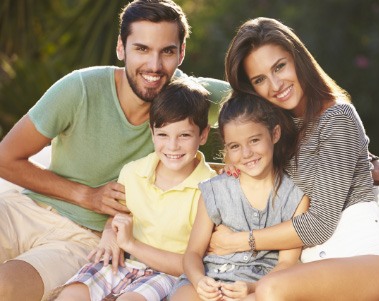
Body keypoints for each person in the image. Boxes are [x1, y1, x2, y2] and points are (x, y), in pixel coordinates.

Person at [0, 1, 229, 300]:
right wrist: (86, 195)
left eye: (167, 51)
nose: (155, 66)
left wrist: (236, 170)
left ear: (181, 53)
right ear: (121, 48)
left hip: (84, 239)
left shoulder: (192, 99)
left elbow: (265, 101)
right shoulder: (80, 88)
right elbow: (6, 158)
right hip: (24, 209)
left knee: (6, 286)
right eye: (142, 49)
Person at [209, 17, 379, 300]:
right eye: (260, 80)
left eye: (279, 66)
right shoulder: (277, 135)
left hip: (370, 260)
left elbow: (319, 224)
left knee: (270, 288)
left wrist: (238, 242)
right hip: (311, 270)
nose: (276, 84)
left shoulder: (338, 117)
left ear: (297, 58)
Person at [46, 78, 217, 301]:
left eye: (184, 135)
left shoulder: (209, 189)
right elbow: (118, 219)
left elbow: (191, 264)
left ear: (202, 135)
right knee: (71, 295)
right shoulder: (133, 172)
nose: (173, 146)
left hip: (167, 274)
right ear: (152, 132)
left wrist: (130, 244)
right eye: (163, 134)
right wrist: (109, 234)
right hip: (123, 263)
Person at [169, 94, 309, 301]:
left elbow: (286, 264)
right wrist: (199, 281)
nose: (246, 153)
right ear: (226, 149)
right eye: (235, 146)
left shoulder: (295, 196)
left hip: (260, 283)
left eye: (254, 140)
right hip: (211, 276)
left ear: (275, 133)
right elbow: (193, 254)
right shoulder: (215, 190)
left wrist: (253, 287)